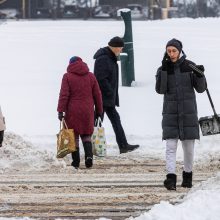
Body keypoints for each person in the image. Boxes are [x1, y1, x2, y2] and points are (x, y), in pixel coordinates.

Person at [155, 38, 207, 190]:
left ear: (180, 51)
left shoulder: (189, 66)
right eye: (169, 51)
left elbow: (201, 89)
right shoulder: (162, 68)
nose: (171, 54)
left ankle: (188, 177)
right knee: (170, 147)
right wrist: (164, 71)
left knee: (188, 149)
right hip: (170, 114)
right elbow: (160, 90)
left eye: (174, 51)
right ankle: (170, 178)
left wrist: (200, 75)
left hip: (188, 114)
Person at [93, 36, 139, 154]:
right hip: (102, 98)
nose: (121, 50)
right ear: (115, 47)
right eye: (120, 48)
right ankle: (93, 147)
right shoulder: (103, 59)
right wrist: (109, 92)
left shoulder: (110, 57)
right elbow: (100, 79)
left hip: (107, 98)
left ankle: (123, 146)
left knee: (110, 120)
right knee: (97, 122)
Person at [57, 56, 103, 169]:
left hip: (72, 110)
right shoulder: (91, 76)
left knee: (74, 135)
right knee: (86, 134)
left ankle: (76, 161)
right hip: (87, 110)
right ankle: (89, 157)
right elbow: (98, 95)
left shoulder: (67, 76)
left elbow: (64, 95)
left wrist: (60, 110)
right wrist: (99, 111)